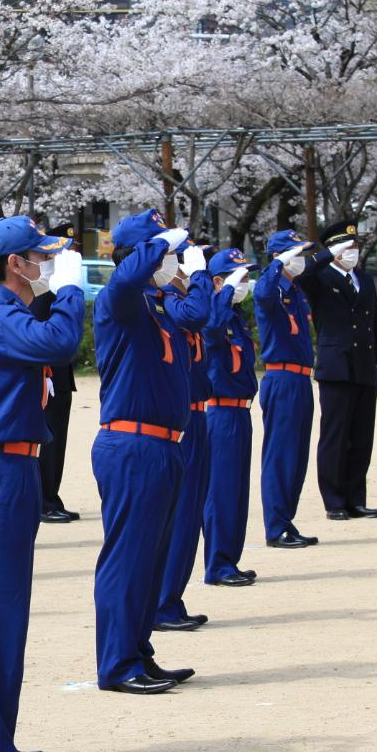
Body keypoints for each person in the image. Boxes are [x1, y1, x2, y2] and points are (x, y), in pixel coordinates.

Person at [0, 216, 85, 752]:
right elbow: (59, 341)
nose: (45, 265)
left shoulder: (2, 312)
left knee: (4, 606)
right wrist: (72, 292)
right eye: (39, 257)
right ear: (16, 264)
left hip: (10, 467)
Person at [90, 209, 200, 695]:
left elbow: (197, 315)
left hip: (163, 444)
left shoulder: (156, 303)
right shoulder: (122, 299)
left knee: (150, 562)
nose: (171, 259)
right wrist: (161, 244)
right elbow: (127, 276)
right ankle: (117, 663)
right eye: (163, 250)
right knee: (128, 560)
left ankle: (138, 651)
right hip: (132, 442)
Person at [296, 220, 377, 521]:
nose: (352, 251)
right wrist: (323, 255)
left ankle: (356, 498)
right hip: (336, 366)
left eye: (355, 246)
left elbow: (373, 324)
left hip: (363, 365)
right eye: (346, 247)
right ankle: (333, 500)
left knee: (362, 436)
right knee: (336, 435)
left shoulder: (365, 279)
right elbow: (301, 275)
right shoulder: (319, 278)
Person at [154, 240, 220, 634]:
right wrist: (198, 279)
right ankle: (162, 601)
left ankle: (172, 597)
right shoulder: (166, 302)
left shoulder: (178, 298)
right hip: (183, 421)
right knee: (178, 517)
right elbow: (197, 314)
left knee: (191, 512)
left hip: (198, 416)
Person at [252, 230, 320, 550]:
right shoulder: (272, 289)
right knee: (280, 456)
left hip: (301, 379)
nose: (302, 259)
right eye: (297, 254)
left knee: (296, 457)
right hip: (281, 379)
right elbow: (262, 294)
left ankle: (286, 520)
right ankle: (275, 525)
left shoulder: (294, 289)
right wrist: (277, 263)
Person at [201, 247, 259, 587]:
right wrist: (221, 294)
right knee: (221, 491)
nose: (246, 283)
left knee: (237, 491)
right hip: (220, 412)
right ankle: (218, 564)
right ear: (220, 282)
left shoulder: (234, 316)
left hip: (240, 411)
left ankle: (230, 559)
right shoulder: (215, 313)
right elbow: (210, 330)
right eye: (240, 278)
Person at [33, 225, 82, 525]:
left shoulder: (59, 284)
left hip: (61, 375)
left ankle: (53, 494)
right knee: (49, 440)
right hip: (48, 376)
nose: (72, 253)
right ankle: (45, 499)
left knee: (58, 440)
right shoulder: (44, 287)